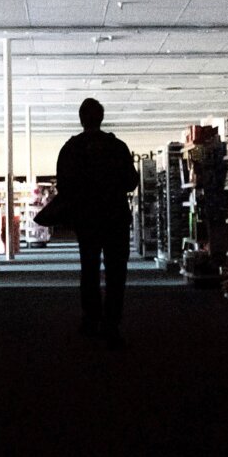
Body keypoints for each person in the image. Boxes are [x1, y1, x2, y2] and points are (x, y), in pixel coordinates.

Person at [54, 98, 140, 348]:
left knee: (89, 268)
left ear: (81, 119)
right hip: (115, 216)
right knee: (116, 271)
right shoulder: (117, 146)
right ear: (101, 118)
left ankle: (91, 318)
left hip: (87, 218)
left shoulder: (71, 148)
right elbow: (131, 181)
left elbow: (64, 185)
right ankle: (111, 323)